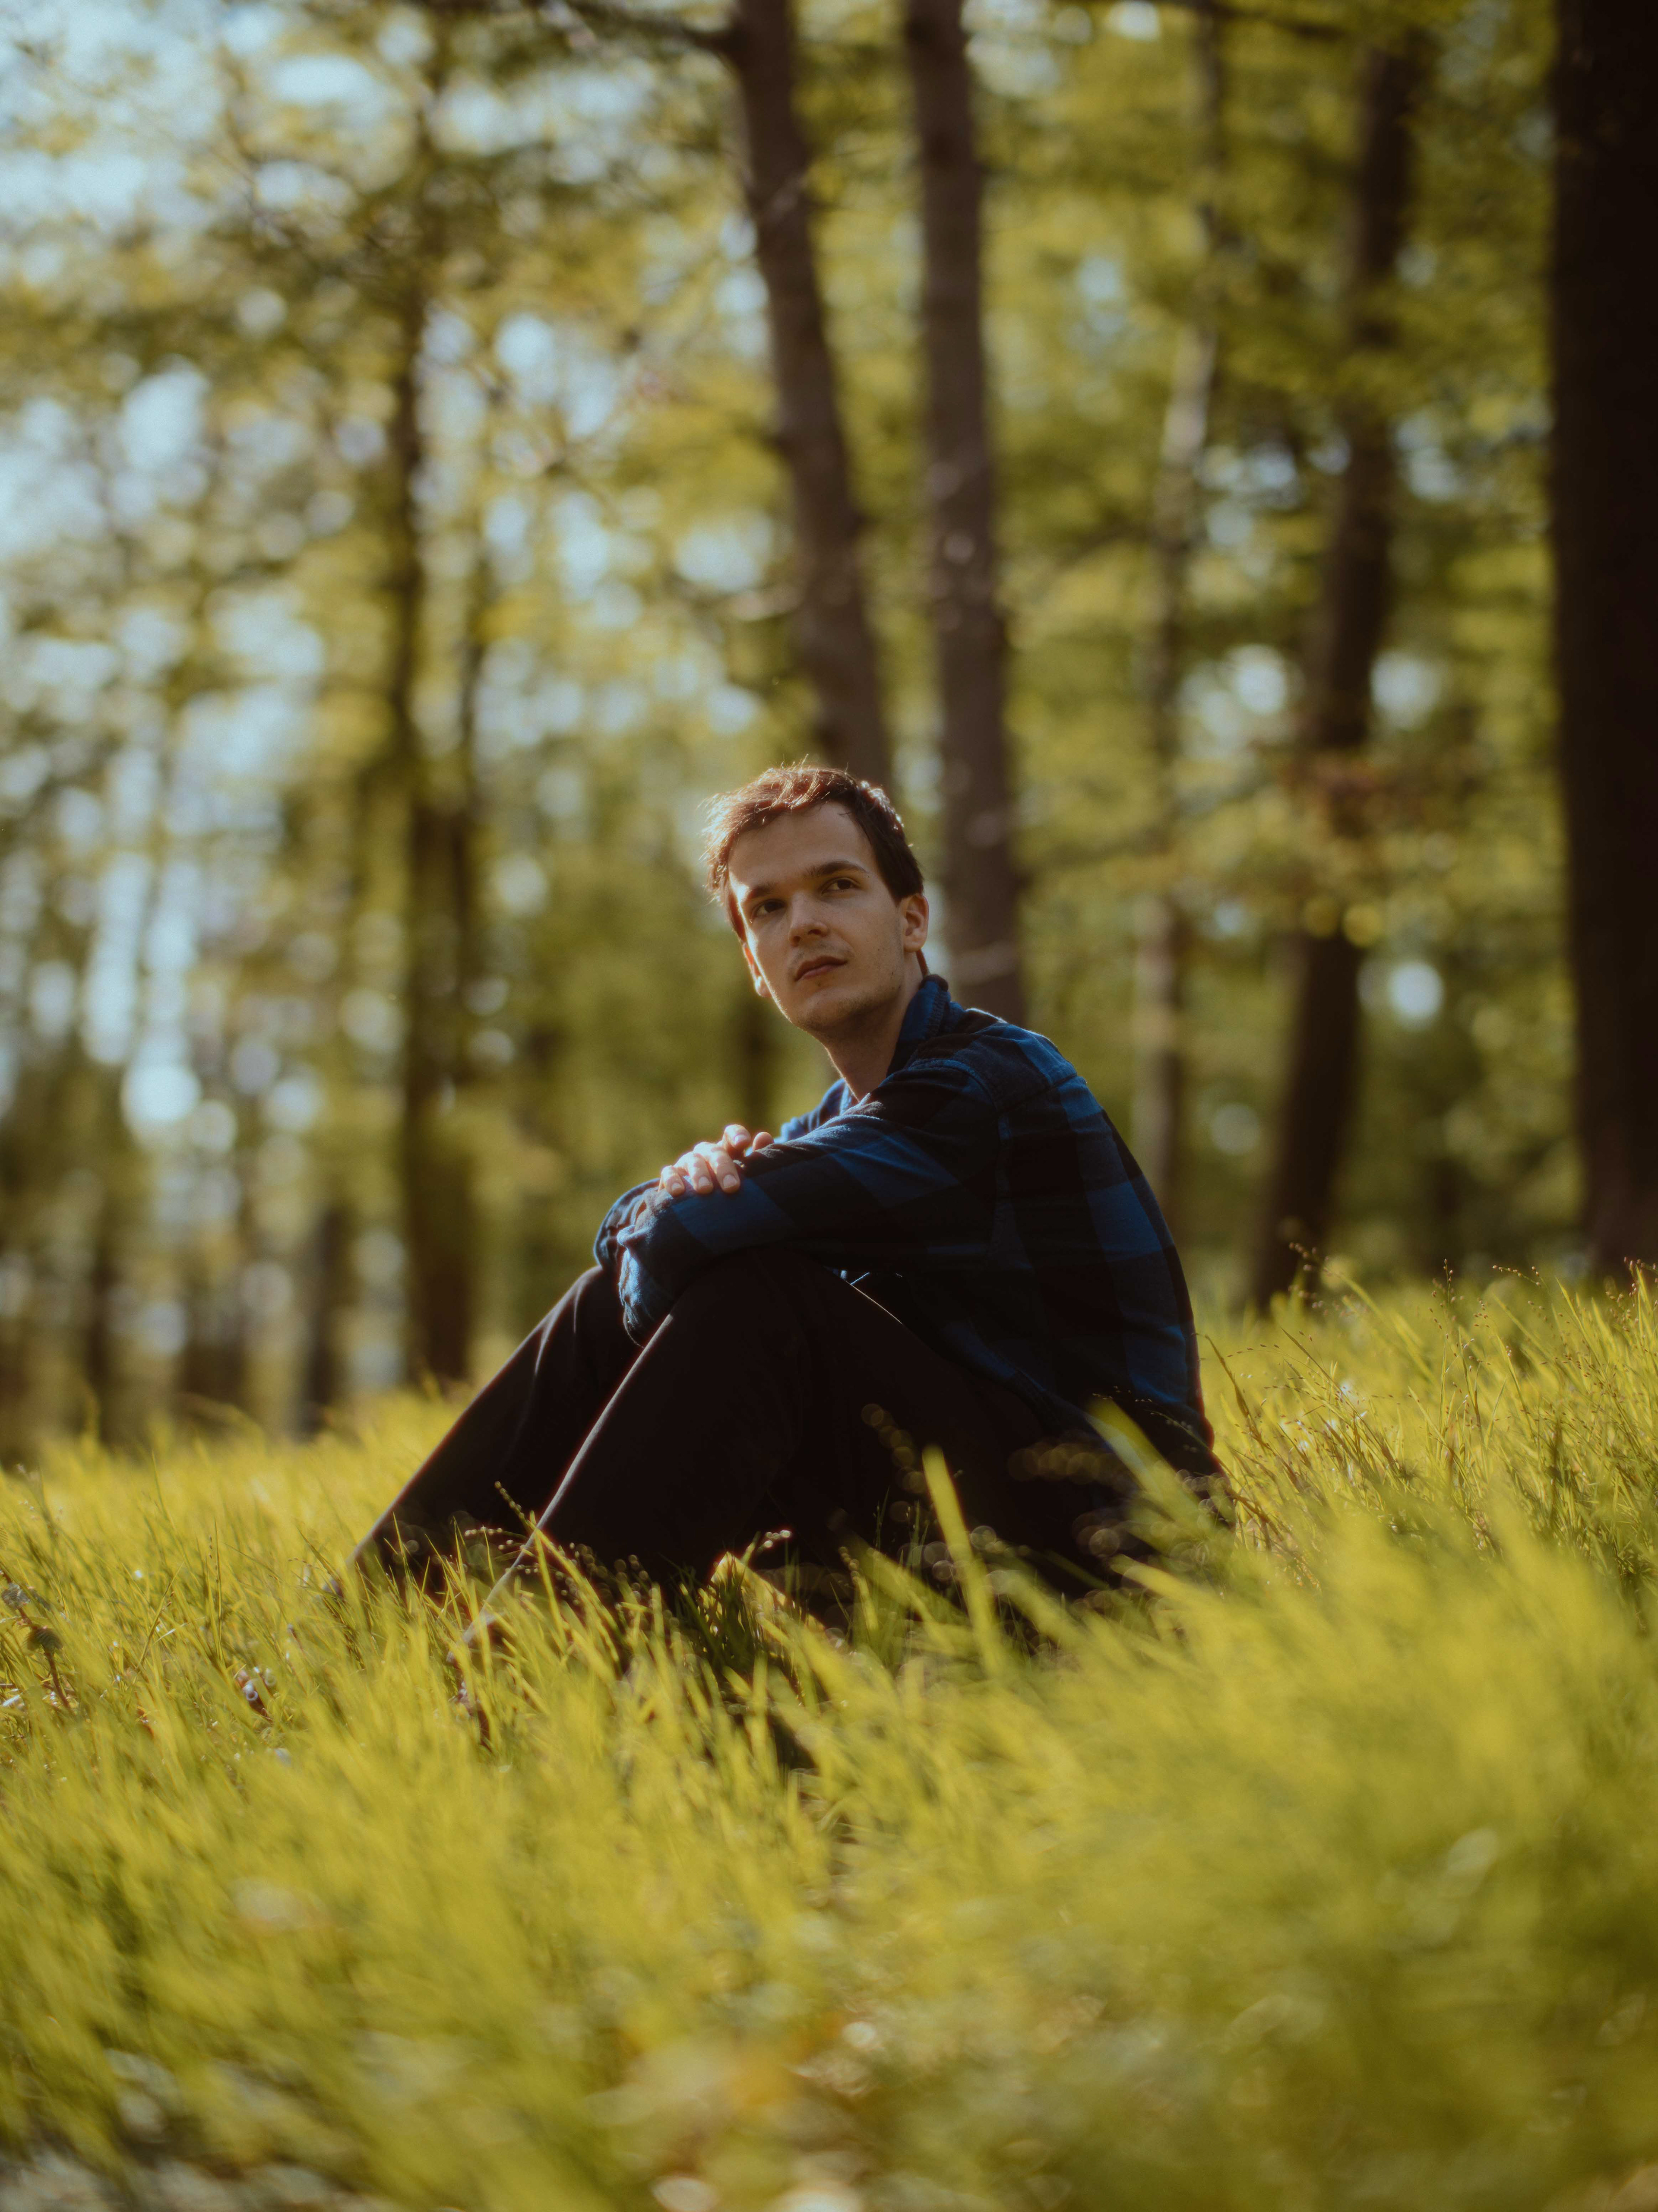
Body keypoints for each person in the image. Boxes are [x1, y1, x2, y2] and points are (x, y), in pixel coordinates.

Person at [354, 763, 1215, 1599]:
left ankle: (524, 1674)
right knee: (603, 1301)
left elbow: (676, 1241)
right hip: (976, 1517)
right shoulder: (837, 1123)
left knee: (762, 1299)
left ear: (911, 920)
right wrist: (681, 1201)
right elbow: (631, 1244)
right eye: (768, 908)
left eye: (836, 886)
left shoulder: (985, 1085)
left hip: (1118, 1550)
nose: (802, 922)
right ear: (756, 969)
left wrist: (687, 1211)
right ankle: (353, 1640)